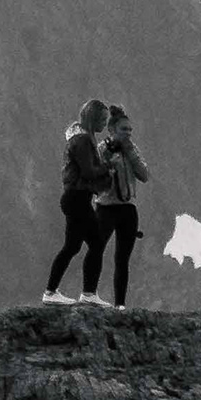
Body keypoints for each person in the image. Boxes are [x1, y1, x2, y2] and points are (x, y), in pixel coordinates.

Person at [45, 99, 114, 301]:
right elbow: (89, 171)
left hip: (74, 198)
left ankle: (51, 292)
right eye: (102, 119)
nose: (104, 124)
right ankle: (88, 294)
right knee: (96, 244)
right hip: (78, 199)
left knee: (72, 247)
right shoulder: (83, 141)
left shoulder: (80, 138)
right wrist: (108, 167)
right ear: (93, 119)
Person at [96, 106, 151, 306]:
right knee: (97, 250)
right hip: (106, 208)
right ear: (111, 130)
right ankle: (90, 294)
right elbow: (93, 176)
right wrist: (108, 163)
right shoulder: (101, 149)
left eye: (130, 130)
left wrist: (130, 153)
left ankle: (120, 304)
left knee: (122, 259)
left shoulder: (131, 150)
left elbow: (144, 175)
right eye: (123, 129)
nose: (128, 133)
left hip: (127, 209)